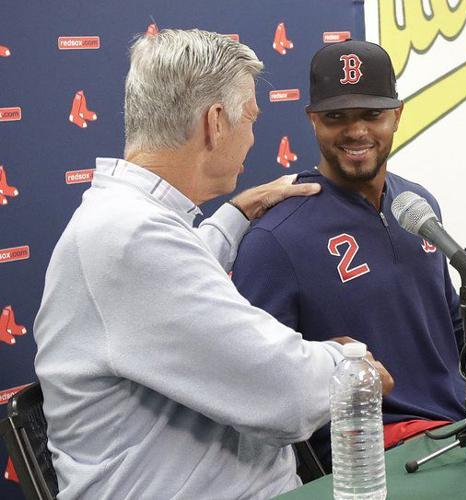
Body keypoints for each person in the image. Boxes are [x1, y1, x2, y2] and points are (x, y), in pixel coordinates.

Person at [33, 29, 392, 500]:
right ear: (215, 122)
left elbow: (173, 285)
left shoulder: (127, 221)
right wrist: (348, 364)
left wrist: (235, 215)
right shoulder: (130, 237)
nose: (252, 139)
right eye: (250, 120)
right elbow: (280, 390)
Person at [231, 40, 466, 467]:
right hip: (378, 451)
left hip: (460, 423)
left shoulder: (417, 206)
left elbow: (454, 330)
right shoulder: (276, 237)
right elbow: (256, 381)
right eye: (336, 117)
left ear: (397, 116)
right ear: (313, 121)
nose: (356, 131)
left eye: (372, 115)